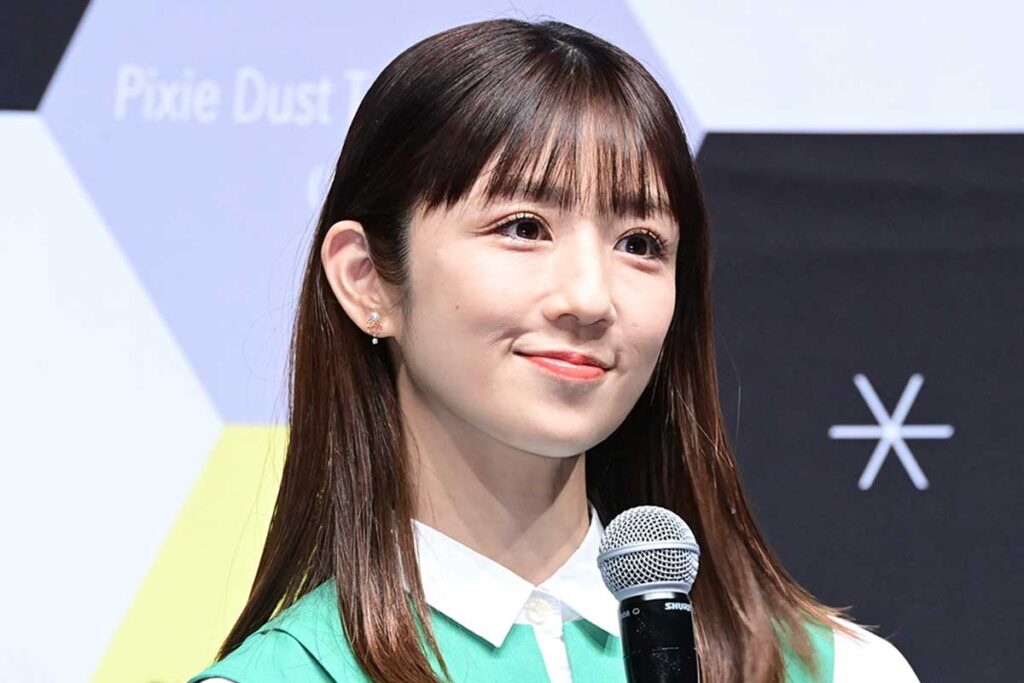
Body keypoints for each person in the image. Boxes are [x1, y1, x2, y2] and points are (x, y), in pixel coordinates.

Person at [189, 17, 920, 683]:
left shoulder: (840, 670)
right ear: (367, 278)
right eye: (523, 227)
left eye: (640, 243)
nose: (590, 297)